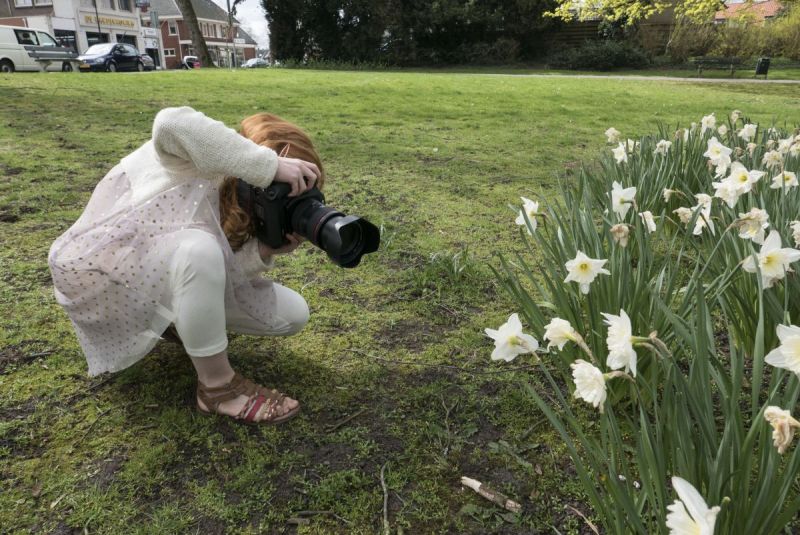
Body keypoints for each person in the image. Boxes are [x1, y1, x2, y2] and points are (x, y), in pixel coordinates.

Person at [48, 106, 323, 424]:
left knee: (292, 314)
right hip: (103, 282)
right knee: (199, 247)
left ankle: (175, 323)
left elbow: (216, 275)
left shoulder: (248, 207)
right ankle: (218, 389)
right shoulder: (196, 157)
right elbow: (169, 121)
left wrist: (261, 250)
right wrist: (269, 165)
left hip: (152, 278)